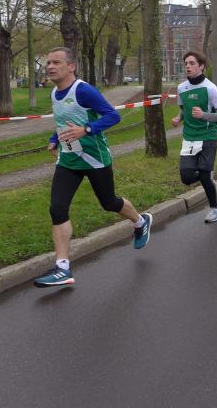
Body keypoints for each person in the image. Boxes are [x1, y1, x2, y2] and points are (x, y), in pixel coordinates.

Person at [33, 47, 152, 288]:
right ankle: (62, 268)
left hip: (95, 159)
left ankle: (141, 222)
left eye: (56, 62)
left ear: (71, 66)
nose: (50, 66)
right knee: (57, 209)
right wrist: (55, 139)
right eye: (48, 63)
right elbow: (63, 122)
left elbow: (112, 116)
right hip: (68, 160)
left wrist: (87, 129)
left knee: (109, 203)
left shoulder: (83, 90)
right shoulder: (55, 93)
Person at [171, 51, 217, 224]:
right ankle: (207, 176)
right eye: (186, 64)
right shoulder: (181, 88)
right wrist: (178, 118)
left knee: (204, 174)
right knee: (186, 177)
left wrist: (204, 115)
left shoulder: (210, 88)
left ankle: (215, 209)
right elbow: (184, 110)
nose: (187, 66)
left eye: (192, 63)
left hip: (207, 136)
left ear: (201, 66)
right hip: (189, 137)